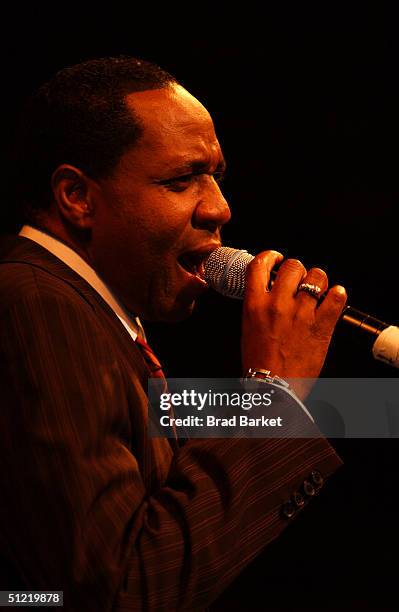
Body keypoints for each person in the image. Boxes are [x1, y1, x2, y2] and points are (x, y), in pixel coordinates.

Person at [0, 56, 347, 611]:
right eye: (182, 179)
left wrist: (363, 404)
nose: (219, 208)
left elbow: (177, 425)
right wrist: (270, 392)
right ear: (77, 197)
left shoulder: (100, 313)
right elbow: (114, 594)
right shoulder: (37, 304)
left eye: (215, 177)